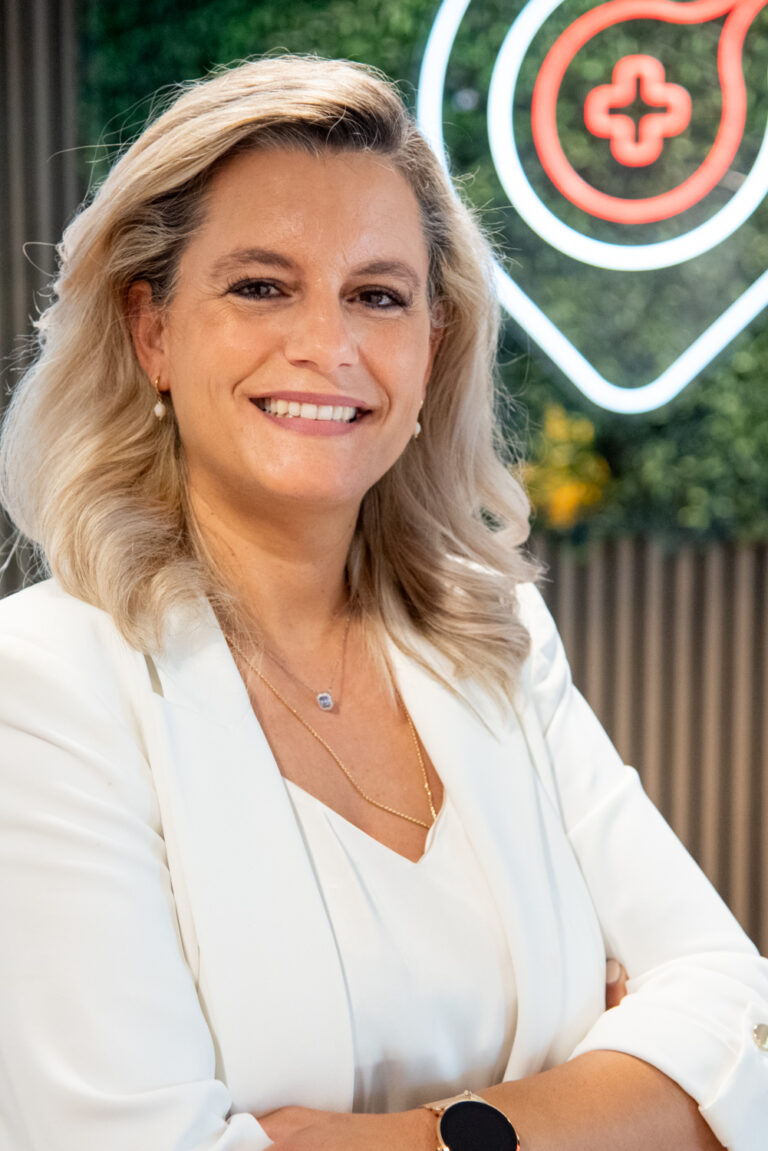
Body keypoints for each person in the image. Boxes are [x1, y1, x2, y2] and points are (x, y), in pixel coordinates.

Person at [0, 54, 765, 1151]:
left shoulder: (498, 642)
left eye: (378, 294)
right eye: (261, 285)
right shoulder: (40, 688)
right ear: (151, 332)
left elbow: (742, 1019)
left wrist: (427, 1136)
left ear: (431, 344)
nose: (330, 344)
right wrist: (616, 1090)